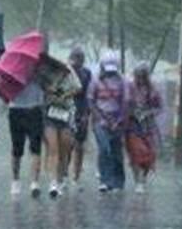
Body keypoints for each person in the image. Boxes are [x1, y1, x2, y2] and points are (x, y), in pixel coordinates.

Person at [87, 52, 128, 192]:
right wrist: (99, 118)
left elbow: (125, 103)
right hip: (100, 121)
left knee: (117, 151)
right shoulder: (95, 81)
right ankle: (105, 180)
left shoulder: (122, 81)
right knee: (105, 149)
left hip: (117, 120)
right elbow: (91, 101)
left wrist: (119, 120)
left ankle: (118, 181)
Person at [41, 58, 82, 198]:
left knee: (64, 148)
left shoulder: (70, 73)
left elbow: (78, 87)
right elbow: (42, 89)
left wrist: (65, 94)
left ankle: (62, 178)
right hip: (50, 113)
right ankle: (53, 183)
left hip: (66, 113)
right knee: (53, 149)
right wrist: (50, 90)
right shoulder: (46, 74)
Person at [128, 62, 162, 194]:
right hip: (132, 126)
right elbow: (124, 103)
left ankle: (142, 178)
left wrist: (148, 113)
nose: (140, 79)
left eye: (143, 76)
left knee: (149, 156)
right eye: (138, 76)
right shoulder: (129, 88)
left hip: (148, 126)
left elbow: (159, 107)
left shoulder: (153, 90)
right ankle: (139, 181)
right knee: (137, 153)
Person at [7, 79, 44, 198]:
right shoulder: (13, 68)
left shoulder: (39, 66)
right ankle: (15, 179)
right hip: (16, 108)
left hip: (35, 108)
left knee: (36, 147)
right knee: (17, 148)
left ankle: (35, 182)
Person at [68, 47, 92, 189]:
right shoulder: (65, 72)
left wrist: (86, 113)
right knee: (67, 144)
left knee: (79, 146)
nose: (77, 61)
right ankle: (64, 173)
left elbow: (89, 94)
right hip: (67, 109)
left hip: (81, 109)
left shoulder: (87, 73)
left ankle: (76, 176)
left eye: (80, 58)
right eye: (75, 57)